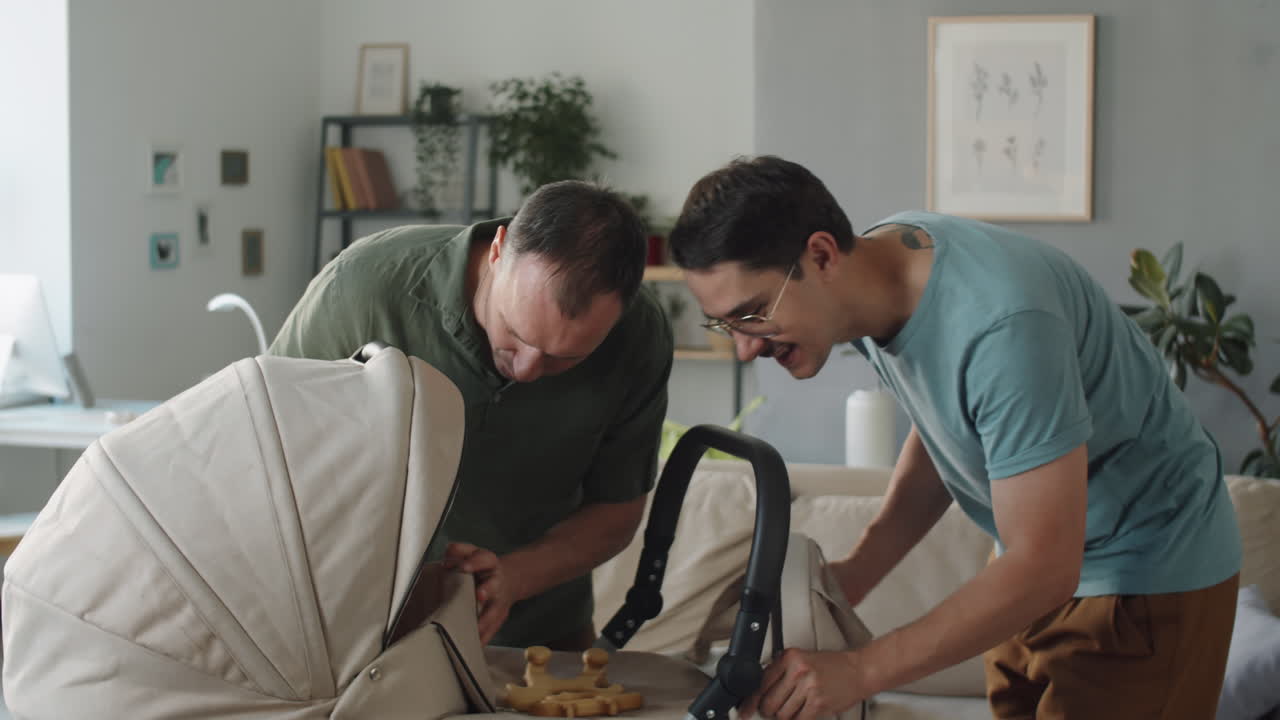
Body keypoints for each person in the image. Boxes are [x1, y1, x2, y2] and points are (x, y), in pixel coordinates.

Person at [666, 155, 1241, 720]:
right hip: (1027, 574)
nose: (745, 346)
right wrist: (859, 570)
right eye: (725, 324)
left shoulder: (1003, 327)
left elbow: (1045, 565)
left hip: (1142, 576)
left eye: (753, 313)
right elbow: (948, 418)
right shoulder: (886, 270)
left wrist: (860, 672)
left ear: (820, 255)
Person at [271, 181, 673, 651]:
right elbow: (267, 444)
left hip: (537, 636)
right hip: (353, 633)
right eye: (514, 332)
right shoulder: (363, 288)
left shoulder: (640, 337)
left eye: (564, 359)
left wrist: (513, 577)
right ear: (499, 249)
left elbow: (617, 510)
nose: (526, 369)